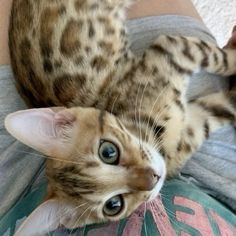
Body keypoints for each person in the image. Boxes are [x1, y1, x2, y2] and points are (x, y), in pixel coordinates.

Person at [0, 0, 235, 235]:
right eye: (114, 204)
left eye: (108, 153)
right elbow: (216, 111)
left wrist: (229, 63)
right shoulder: (165, 158)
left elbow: (172, 50)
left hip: (15, 175)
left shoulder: (144, 115)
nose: (146, 180)